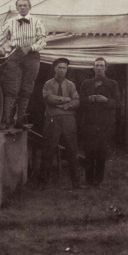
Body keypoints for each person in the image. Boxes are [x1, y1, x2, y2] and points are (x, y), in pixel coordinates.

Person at [0, 0, 47, 128]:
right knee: (12, 87)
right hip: (15, 54)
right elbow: (1, 38)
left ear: (30, 7)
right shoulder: (10, 22)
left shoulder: (38, 22)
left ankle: (19, 120)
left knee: (26, 88)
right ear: (17, 8)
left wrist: (30, 48)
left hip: (32, 56)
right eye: (20, 6)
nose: (22, 8)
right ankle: (6, 120)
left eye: (25, 5)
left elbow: (43, 41)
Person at [40, 58, 80, 189]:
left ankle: (76, 183)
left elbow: (76, 101)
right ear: (54, 68)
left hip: (69, 120)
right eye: (60, 68)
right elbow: (50, 99)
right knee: (48, 150)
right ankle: (43, 183)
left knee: (72, 151)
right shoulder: (48, 84)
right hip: (52, 120)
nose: (62, 70)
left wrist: (67, 105)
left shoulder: (71, 85)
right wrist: (66, 99)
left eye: (65, 68)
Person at [80, 57, 119, 187]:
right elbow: (80, 102)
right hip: (90, 124)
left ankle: (98, 181)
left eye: (102, 66)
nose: (99, 68)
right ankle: (89, 180)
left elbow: (118, 103)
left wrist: (106, 100)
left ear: (106, 68)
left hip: (105, 125)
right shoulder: (86, 83)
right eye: (97, 66)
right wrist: (88, 99)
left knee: (101, 153)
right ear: (93, 68)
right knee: (89, 152)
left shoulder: (113, 84)